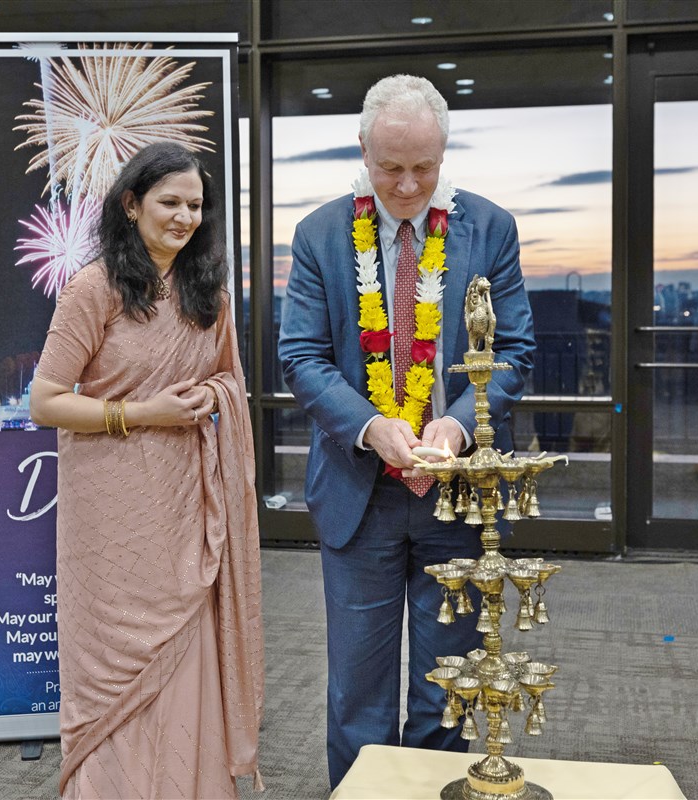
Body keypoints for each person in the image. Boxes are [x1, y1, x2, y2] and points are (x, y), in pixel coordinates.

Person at [278, 74, 536, 789]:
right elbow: (301, 357)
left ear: (443, 153)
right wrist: (369, 427)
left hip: (457, 497)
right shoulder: (320, 235)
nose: (407, 185)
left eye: (424, 167)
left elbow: (515, 351)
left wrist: (458, 425)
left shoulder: (490, 228)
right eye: (390, 167)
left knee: (445, 685)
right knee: (357, 692)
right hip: (358, 493)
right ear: (363, 150)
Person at [29, 142, 263, 799]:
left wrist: (211, 398)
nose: (185, 216)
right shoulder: (94, 289)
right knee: (114, 661)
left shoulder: (208, 295)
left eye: (195, 205)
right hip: (110, 508)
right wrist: (143, 412)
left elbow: (228, 382)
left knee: (186, 643)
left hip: (188, 500)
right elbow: (45, 401)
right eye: (170, 202)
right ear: (131, 205)